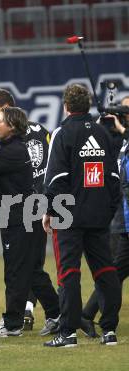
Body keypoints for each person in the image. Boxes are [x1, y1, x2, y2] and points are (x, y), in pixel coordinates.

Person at [0, 89, 60, 336]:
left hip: (22, 218)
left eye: (0, 119)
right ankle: (58, 313)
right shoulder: (9, 145)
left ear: (12, 126)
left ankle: (13, 323)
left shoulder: (13, 151)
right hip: (23, 215)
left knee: (16, 271)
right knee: (31, 271)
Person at [43, 83, 121, 347]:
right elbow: (113, 179)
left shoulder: (62, 133)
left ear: (66, 106)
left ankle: (68, 333)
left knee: (69, 273)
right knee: (106, 271)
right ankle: (109, 330)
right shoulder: (103, 133)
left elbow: (55, 179)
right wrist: (108, 211)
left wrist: (52, 211)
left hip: (70, 217)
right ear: (87, 105)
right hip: (99, 216)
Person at [81, 95, 129, 337]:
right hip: (121, 221)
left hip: (122, 221)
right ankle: (88, 315)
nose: (123, 115)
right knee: (112, 272)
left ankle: (87, 314)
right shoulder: (115, 141)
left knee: (113, 272)